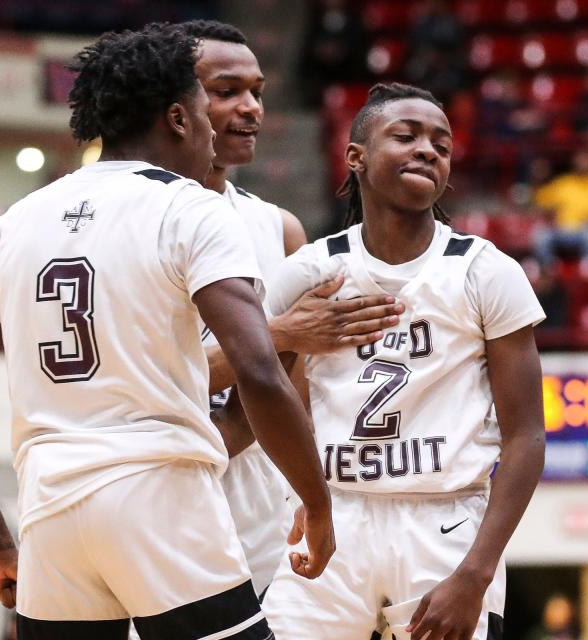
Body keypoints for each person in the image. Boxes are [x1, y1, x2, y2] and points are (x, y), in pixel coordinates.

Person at [0, 24, 334, 640]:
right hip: (160, 496)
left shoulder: (18, 221)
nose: (219, 128)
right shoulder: (192, 207)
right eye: (206, 110)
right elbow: (259, 370)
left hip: (50, 508)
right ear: (180, 118)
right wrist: (316, 504)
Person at [259, 83, 547, 640]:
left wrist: (476, 575)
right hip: (332, 512)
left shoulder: (485, 271)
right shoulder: (310, 270)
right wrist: (302, 490)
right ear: (356, 157)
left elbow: (526, 437)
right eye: (407, 136)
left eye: (442, 143)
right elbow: (259, 379)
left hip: (444, 520)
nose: (428, 150)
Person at [180, 18, 404, 599]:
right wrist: (280, 333)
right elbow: (142, 374)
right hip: (156, 472)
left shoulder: (279, 228)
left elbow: (292, 385)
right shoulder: (135, 215)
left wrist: (306, 486)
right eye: (226, 92)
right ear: (175, 102)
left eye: (257, 92)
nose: (251, 108)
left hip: (253, 483)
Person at [533, 148, 588, 265]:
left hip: (586, 229)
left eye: (587, 159)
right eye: (581, 159)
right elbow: (542, 201)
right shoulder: (564, 182)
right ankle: (549, 269)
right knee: (541, 235)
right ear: (574, 161)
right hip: (561, 229)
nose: (584, 162)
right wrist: (538, 179)